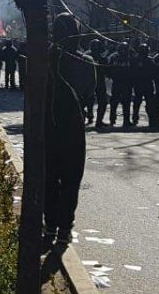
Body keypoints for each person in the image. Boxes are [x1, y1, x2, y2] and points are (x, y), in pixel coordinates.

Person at [43, 13, 96, 251]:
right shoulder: (85, 61)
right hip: (73, 126)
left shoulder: (44, 59)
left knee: (50, 178)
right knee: (71, 179)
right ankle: (64, 228)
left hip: (47, 126)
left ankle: (51, 224)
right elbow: (90, 93)